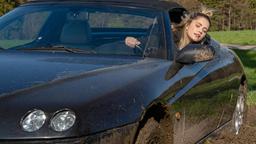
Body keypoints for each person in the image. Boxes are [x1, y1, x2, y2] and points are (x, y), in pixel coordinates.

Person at [125, 6, 214, 51]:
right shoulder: (165, 37)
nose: (200, 31)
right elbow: (143, 42)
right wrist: (129, 39)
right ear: (187, 25)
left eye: (204, 30)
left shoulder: (202, 46)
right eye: (198, 26)